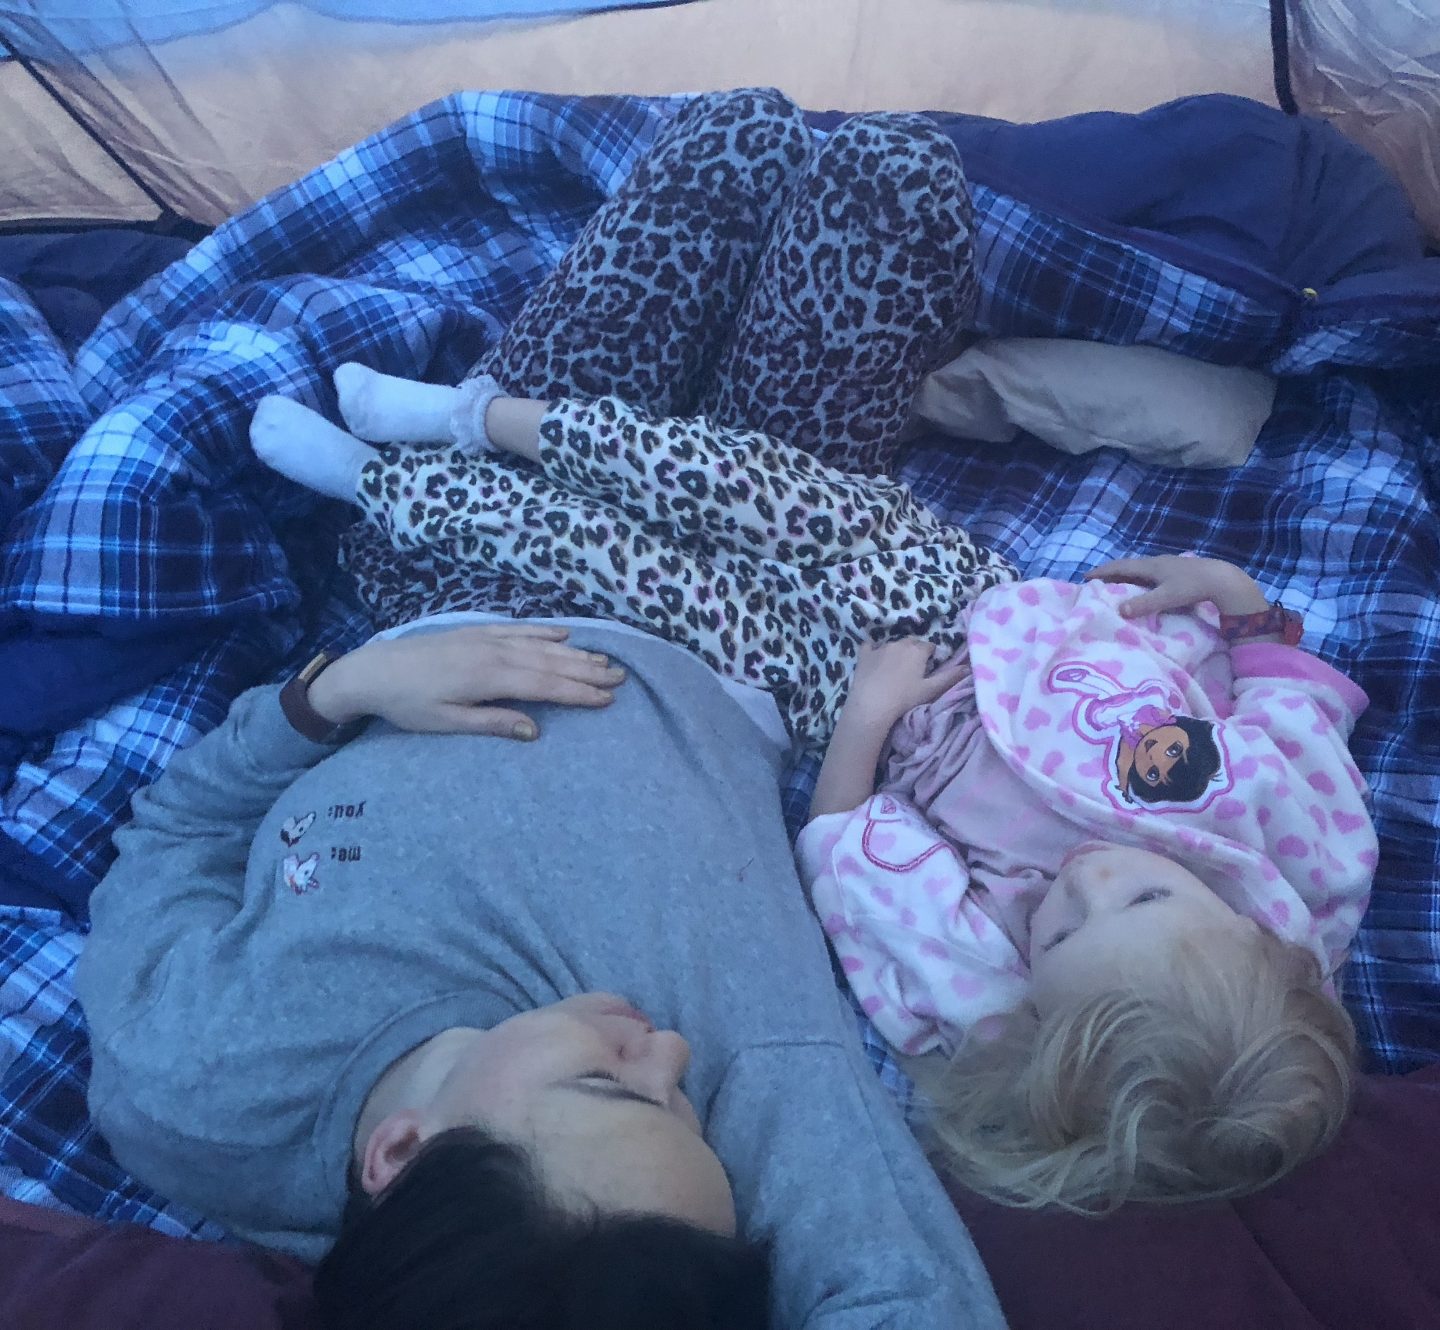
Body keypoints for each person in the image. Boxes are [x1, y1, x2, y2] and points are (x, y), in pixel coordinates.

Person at [78, 90, 1008, 1330]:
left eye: (618, 1089)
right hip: (738, 600)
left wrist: (335, 690)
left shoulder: (192, 1089)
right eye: (691, 1117)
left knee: (732, 138)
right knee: (887, 173)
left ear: (398, 1152)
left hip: (464, 548)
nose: (670, 1056)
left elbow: (170, 836)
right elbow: (906, 1298)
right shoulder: (742, 1060)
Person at [798, 553, 1376, 1212]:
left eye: (1061, 936)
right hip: (1002, 603)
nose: (1088, 877)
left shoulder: (985, 986)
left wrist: (868, 714)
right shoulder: (1298, 854)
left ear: (1036, 1008)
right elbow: (1292, 710)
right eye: (1146, 896)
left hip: (890, 686)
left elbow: (842, 848)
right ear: (1252, 930)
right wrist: (1234, 594)